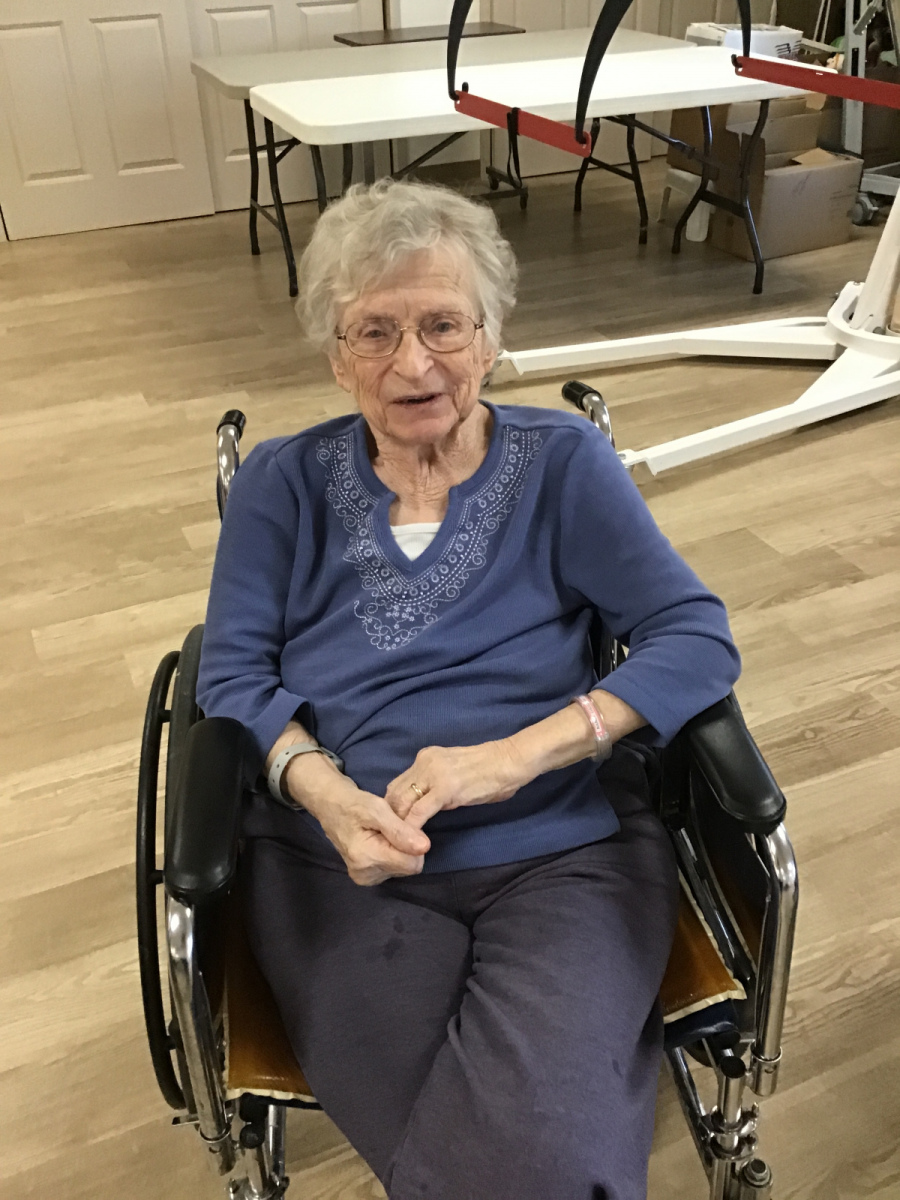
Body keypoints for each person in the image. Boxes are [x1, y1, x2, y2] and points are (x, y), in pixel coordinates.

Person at [197, 179, 740, 1200]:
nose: (414, 364)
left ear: (491, 339)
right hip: (341, 867)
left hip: (563, 855)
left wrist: (514, 758)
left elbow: (694, 637)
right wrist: (325, 792)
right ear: (334, 354)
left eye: (444, 325)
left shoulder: (564, 464)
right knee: (531, 1169)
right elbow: (229, 672)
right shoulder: (280, 483)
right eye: (375, 332)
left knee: (526, 1165)